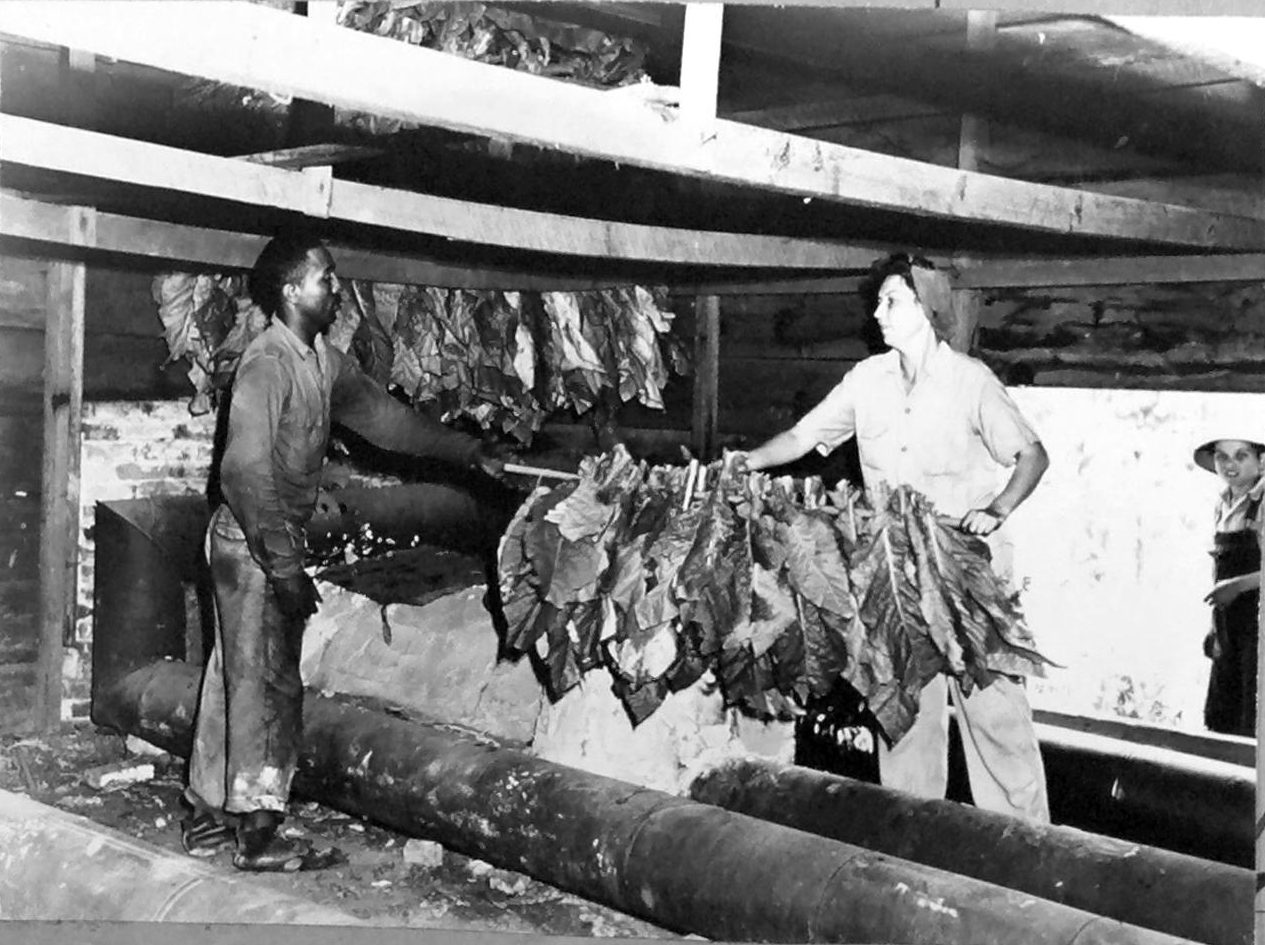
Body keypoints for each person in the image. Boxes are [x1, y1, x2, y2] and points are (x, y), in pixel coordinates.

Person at [180, 229, 505, 871]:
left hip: (259, 542)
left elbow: (387, 420)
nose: (337, 288)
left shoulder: (321, 361)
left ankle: (207, 813)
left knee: (234, 676)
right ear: (291, 289)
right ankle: (257, 833)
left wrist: (468, 452)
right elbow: (244, 473)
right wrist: (285, 568)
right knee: (268, 684)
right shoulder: (268, 364)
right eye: (325, 278)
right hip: (251, 544)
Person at [739, 252, 1051, 822]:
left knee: (994, 715)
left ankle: (1029, 843)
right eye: (879, 302)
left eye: (891, 302)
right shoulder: (868, 380)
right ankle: (913, 836)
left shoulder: (969, 381)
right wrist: (748, 460)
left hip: (965, 571)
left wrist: (998, 509)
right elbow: (804, 436)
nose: (877, 313)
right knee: (903, 715)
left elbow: (1031, 455)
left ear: (927, 309)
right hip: (895, 572)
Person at [1194, 435, 1263, 737]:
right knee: (1224, 714)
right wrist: (1215, 627)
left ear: (1261, 461)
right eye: (1222, 456)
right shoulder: (1222, 502)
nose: (1229, 464)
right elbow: (1219, 566)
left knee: (1253, 715)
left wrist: (1238, 586)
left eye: (1241, 455)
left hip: (1259, 624)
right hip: (1229, 624)